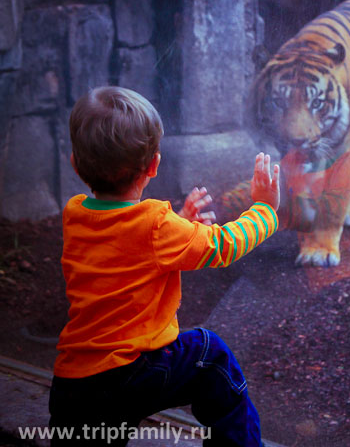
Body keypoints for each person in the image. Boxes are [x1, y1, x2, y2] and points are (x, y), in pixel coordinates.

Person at [48, 86, 280, 446]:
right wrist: (265, 208)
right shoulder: (156, 225)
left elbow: (127, 250)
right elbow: (223, 246)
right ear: (154, 165)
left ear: (76, 165)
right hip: (129, 374)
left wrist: (181, 223)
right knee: (211, 354)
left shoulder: (74, 213)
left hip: (73, 387)